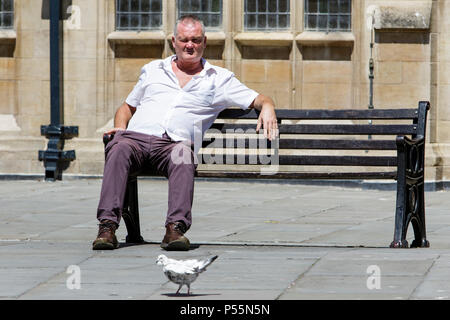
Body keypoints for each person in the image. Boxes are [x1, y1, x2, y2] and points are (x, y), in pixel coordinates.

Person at [93, 15, 278, 251]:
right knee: (118, 146)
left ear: (204, 42)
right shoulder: (153, 70)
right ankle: (107, 228)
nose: (190, 45)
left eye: (195, 40)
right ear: (174, 41)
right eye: (184, 40)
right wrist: (121, 127)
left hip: (173, 146)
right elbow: (127, 107)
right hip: (136, 140)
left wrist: (269, 106)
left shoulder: (219, 79)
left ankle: (175, 229)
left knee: (183, 153)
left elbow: (258, 98)